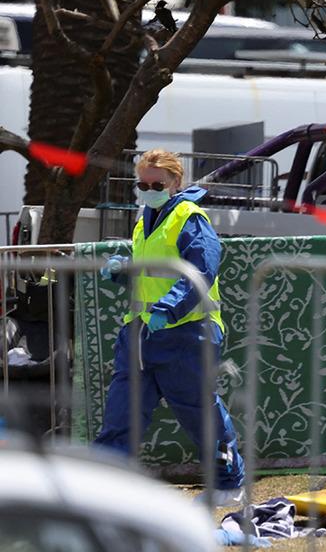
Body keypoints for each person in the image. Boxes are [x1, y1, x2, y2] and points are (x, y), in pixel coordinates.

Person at [95, 149, 245, 506]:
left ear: (176, 182)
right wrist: (124, 270)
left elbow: (200, 271)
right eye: (141, 184)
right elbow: (152, 274)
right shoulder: (145, 216)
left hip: (186, 335)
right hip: (141, 335)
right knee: (120, 415)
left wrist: (168, 308)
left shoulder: (190, 218)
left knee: (202, 417)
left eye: (156, 184)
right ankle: (99, 488)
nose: (147, 189)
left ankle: (227, 482)